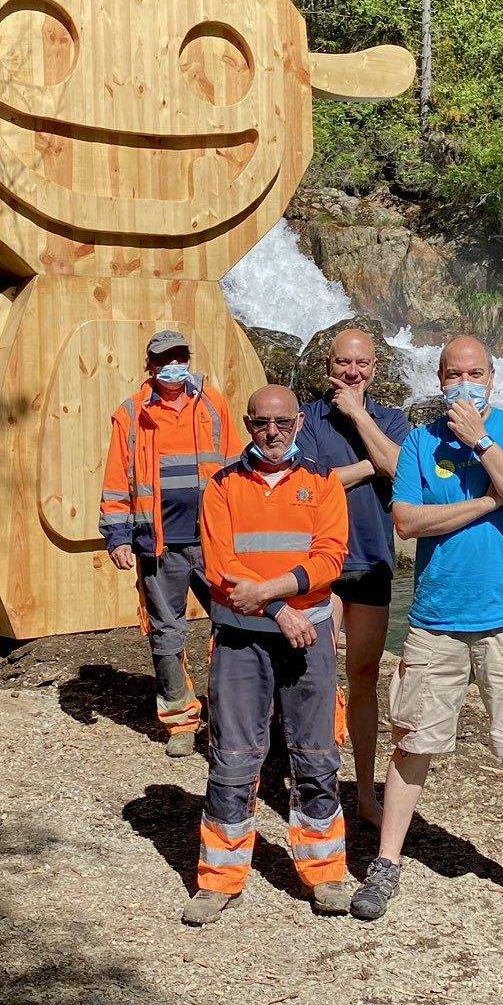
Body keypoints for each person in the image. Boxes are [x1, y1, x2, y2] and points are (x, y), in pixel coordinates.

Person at [350, 336, 503, 925]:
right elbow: (407, 521)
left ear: (491, 378)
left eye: (474, 372)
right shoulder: (420, 441)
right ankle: (387, 862)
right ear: (439, 379)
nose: (463, 381)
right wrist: (485, 503)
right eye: (452, 373)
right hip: (437, 619)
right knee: (413, 741)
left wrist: (483, 443)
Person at [183, 386, 351, 924]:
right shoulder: (222, 486)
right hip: (241, 640)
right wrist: (280, 609)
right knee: (232, 757)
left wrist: (273, 591)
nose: (271, 431)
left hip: (310, 639)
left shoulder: (323, 484)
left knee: (317, 754)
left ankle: (325, 874)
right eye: (261, 423)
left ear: (298, 423)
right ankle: (218, 879)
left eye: (281, 422)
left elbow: (330, 558)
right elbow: (219, 564)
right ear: (247, 424)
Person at [99, 329, 241, 758]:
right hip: (159, 543)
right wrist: (118, 537)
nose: (173, 365)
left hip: (214, 541)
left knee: (234, 625)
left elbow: (236, 465)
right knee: (166, 632)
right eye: (164, 360)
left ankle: (230, 717)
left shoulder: (213, 404)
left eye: (180, 357)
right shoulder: (131, 414)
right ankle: (180, 721)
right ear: (151, 366)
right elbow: (115, 481)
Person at [295, 328, 409, 824]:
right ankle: (314, 790)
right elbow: (310, 483)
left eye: (362, 364)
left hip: (371, 562)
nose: (353, 372)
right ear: (329, 365)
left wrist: (360, 418)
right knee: (315, 676)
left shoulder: (392, 420)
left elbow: (403, 468)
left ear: (375, 369)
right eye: (344, 363)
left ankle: (365, 793)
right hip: (321, 563)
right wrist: (370, 465)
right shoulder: (306, 418)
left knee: (363, 677)